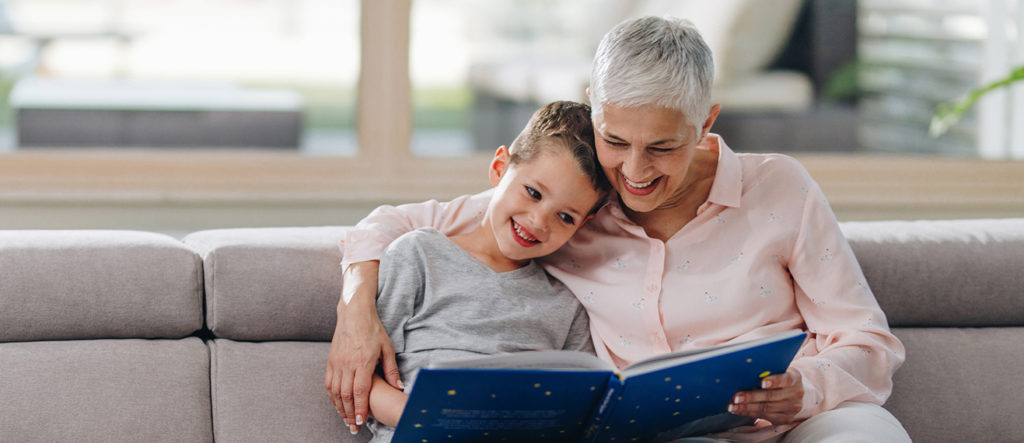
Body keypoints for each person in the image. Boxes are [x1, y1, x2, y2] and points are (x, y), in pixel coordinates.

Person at [326, 16, 911, 442]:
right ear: (594, 108)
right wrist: (356, 309)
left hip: (806, 420)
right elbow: (395, 223)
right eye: (615, 140)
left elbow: (869, 342)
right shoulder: (572, 203)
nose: (634, 172)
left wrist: (804, 388)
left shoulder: (780, 187)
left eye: (662, 147)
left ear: (705, 121)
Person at [344, 101, 609, 441]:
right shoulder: (419, 255)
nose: (539, 221)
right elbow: (365, 380)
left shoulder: (565, 306)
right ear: (500, 167)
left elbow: (578, 407)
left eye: (565, 217)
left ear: (583, 225)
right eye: (533, 193)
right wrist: (441, 419)